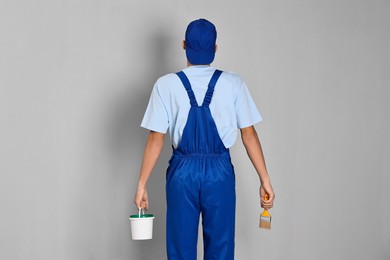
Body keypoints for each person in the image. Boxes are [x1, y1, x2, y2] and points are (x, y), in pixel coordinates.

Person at [134, 18, 275, 260]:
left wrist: (142, 184)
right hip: (219, 172)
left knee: (180, 249)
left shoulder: (165, 85)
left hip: (182, 173)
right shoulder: (234, 83)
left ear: (184, 45)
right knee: (221, 248)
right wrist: (265, 179)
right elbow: (248, 135)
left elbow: (156, 138)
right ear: (215, 48)